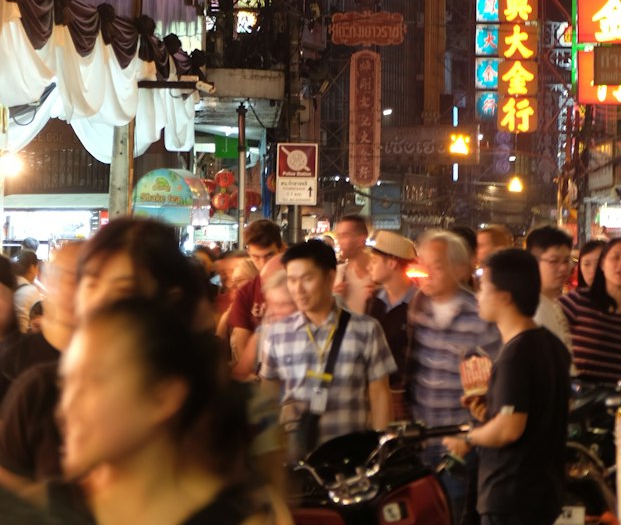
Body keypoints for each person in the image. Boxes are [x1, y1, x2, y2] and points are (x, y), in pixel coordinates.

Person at [0, 217, 211, 492]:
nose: (97, 300)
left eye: (123, 289)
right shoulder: (38, 389)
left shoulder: (204, 407)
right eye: (90, 282)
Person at [54, 296, 285, 525]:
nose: (66, 406)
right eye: (66, 383)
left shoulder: (244, 517)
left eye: (93, 381)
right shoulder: (39, 511)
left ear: (163, 398)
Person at [442, 249, 570, 525]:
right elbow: (535, 414)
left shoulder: (516, 355)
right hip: (543, 493)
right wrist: (490, 413)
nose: (478, 295)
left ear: (504, 295)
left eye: (484, 287)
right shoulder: (551, 344)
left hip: (512, 497)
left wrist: (467, 438)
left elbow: (510, 429)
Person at [258, 239, 393, 462]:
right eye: (292, 280)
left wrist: (381, 452)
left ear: (330, 278)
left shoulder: (366, 329)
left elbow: (379, 394)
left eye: (307, 279)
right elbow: (267, 395)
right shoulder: (277, 333)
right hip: (297, 459)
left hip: (351, 455)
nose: (298, 289)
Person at [406, 231, 501, 523]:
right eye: (424, 264)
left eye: (436, 265)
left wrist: (469, 438)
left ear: (460, 270)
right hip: (419, 445)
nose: (426, 273)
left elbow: (487, 390)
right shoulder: (418, 309)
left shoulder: (479, 317)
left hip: (458, 448)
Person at [559, 237, 621, 386]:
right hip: (575, 400)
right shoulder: (577, 301)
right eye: (615, 258)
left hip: (615, 401)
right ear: (602, 265)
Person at [0, 241, 80, 406]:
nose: (70, 287)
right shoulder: (13, 359)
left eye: (81, 277)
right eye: (61, 275)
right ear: (46, 280)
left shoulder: (106, 359)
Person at [363, 231, 417, 417]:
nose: (369, 266)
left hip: (403, 401)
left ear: (392, 263)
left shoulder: (418, 305)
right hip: (371, 394)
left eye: (375, 261)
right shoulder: (373, 301)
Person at [228, 221, 285, 366]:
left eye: (269, 255)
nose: (263, 263)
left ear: (281, 249)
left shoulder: (298, 285)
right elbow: (242, 342)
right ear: (249, 254)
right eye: (256, 257)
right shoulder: (245, 292)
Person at [524, 226, 574, 357]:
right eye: (554, 261)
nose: (563, 268)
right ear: (533, 262)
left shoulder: (553, 304)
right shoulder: (533, 310)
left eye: (567, 260)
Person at [332, 214, 372, 315]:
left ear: (361, 239)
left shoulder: (380, 274)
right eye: (338, 237)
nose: (339, 242)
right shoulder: (337, 273)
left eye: (344, 236)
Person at [12, 250, 43, 334]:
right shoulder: (30, 291)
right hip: (22, 339)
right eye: (37, 267)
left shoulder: (11, 284)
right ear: (32, 267)